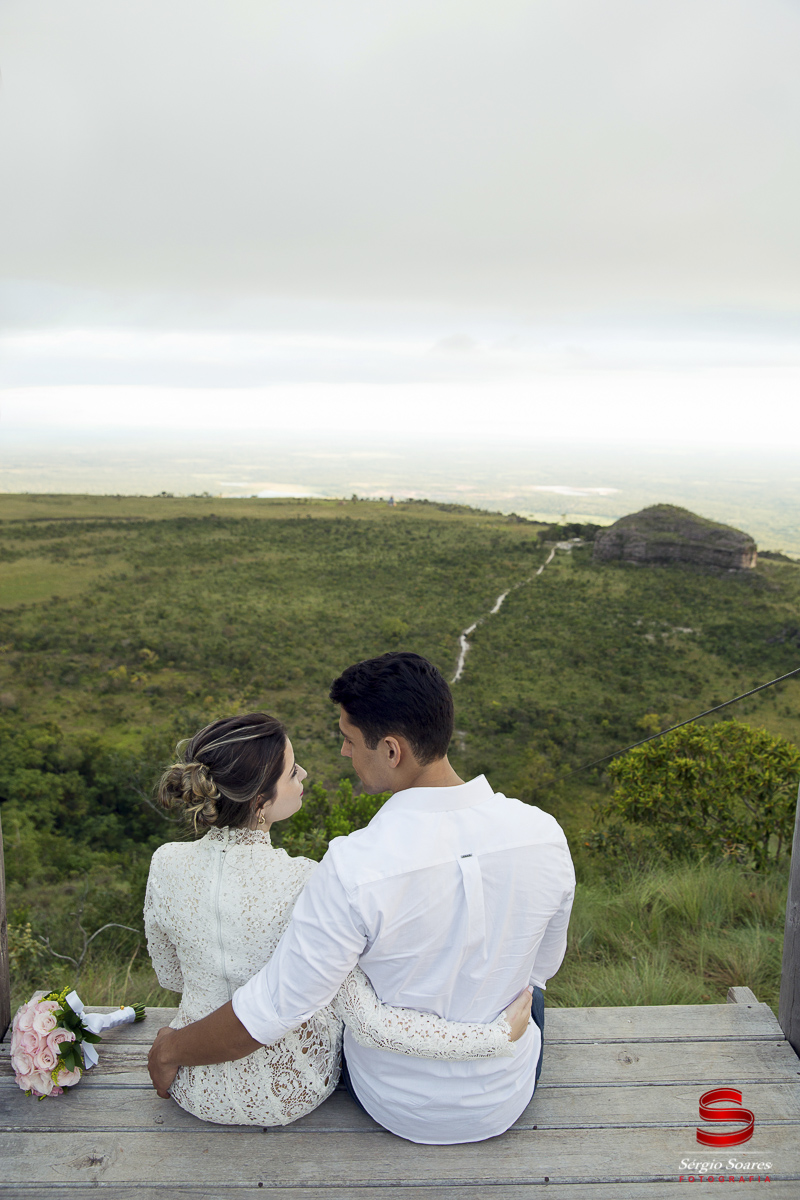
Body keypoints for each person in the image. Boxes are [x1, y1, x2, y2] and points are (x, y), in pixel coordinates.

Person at [148, 653, 575, 1144]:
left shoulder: (354, 865)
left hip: (393, 1101)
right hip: (505, 1096)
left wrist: (169, 1050)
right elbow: (543, 968)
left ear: (391, 751)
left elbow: (272, 1009)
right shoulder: (544, 834)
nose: (345, 754)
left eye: (349, 741)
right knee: (529, 995)